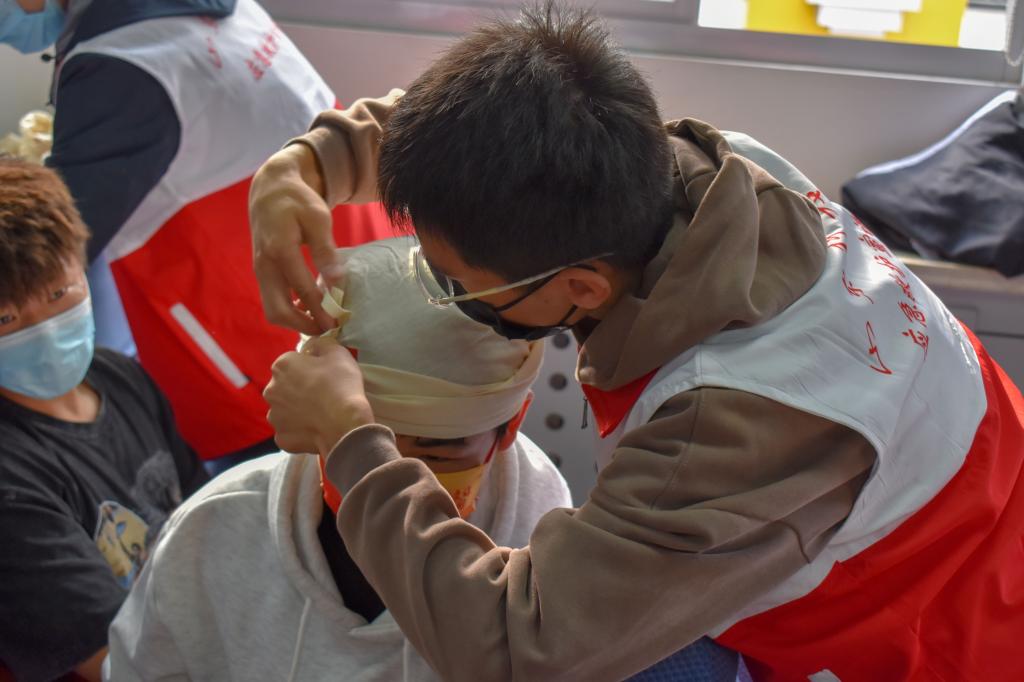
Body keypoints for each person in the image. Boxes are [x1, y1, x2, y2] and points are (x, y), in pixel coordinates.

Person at [252, 5, 1024, 681]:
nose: (446, 299)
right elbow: (486, 142)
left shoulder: (733, 424)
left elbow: (519, 653)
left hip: (950, 634)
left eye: (459, 285)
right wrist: (308, 164)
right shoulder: (703, 171)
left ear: (582, 288)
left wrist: (350, 441)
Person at [104, 237, 572, 681]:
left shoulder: (543, 542)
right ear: (311, 418)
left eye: (434, 453)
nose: (387, 474)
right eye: (356, 441)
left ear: (511, 425)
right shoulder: (213, 531)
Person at [0, 0, 393, 468]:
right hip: (353, 270)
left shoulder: (119, 67)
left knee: (301, 475)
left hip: (267, 328)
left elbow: (49, 244)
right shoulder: (188, 11)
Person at [0, 158, 207, 682]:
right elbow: (122, 663)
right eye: (6, 318)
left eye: (58, 294)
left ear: (81, 267)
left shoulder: (116, 373)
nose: (45, 329)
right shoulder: (11, 484)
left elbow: (207, 514)